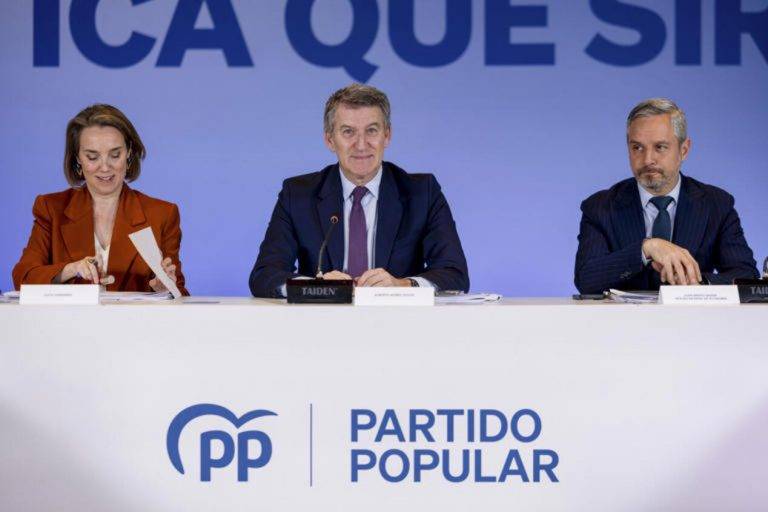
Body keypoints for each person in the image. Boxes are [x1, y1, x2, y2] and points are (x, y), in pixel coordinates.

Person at [249, 83, 469, 298]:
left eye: (372, 131)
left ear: (387, 136)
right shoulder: (298, 194)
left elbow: (454, 274)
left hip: (400, 325)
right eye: (348, 132)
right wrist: (315, 286)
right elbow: (264, 275)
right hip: (320, 325)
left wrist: (401, 285)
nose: (361, 144)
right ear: (329, 140)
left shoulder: (422, 193)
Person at [574, 98, 758, 294]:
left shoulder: (717, 205)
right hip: (624, 323)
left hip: (695, 323)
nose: (648, 159)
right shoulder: (600, 207)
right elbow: (586, 279)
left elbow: (746, 277)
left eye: (660, 147)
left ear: (684, 150)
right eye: (637, 147)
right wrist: (646, 249)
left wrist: (696, 284)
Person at [13, 104, 188, 295]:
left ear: (129, 152)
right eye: (92, 157)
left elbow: (180, 295)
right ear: (77, 158)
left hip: (134, 324)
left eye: (115, 155)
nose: (105, 167)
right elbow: (23, 278)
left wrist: (166, 289)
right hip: (66, 324)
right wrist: (70, 269)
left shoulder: (162, 214)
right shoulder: (51, 209)